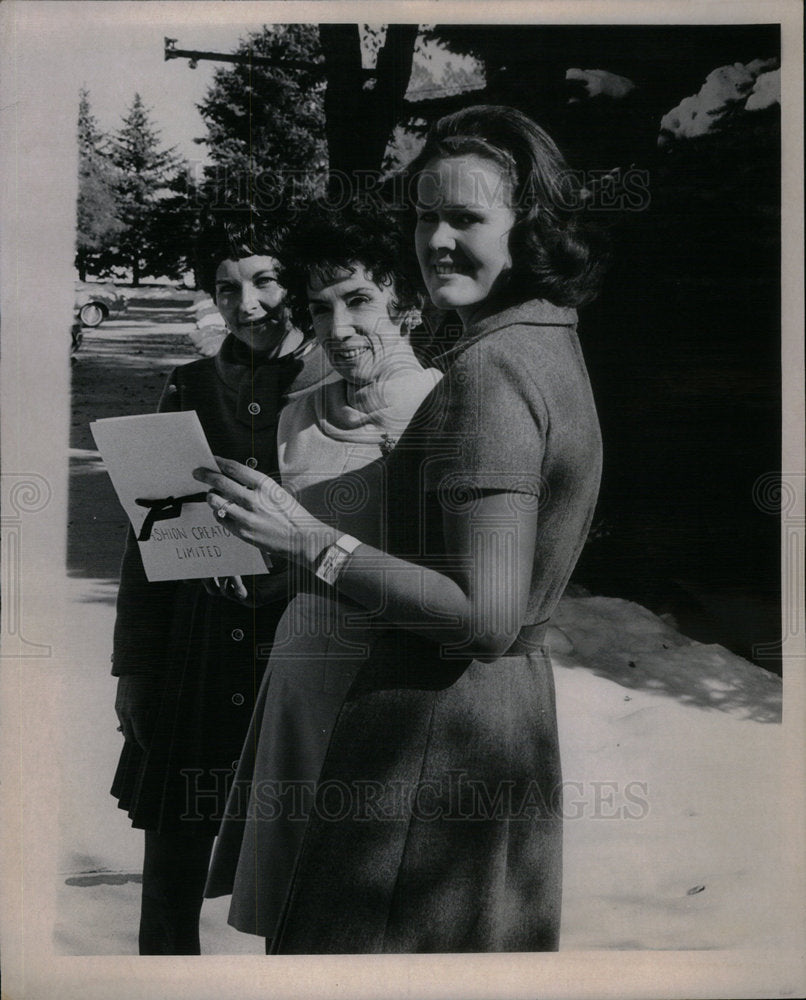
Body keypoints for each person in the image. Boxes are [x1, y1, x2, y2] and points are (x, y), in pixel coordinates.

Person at [194, 105, 604, 953]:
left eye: (467, 217)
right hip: (492, 727)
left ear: (529, 227)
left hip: (434, 735)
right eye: (426, 215)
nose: (438, 240)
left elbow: (486, 618)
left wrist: (312, 541)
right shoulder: (543, 342)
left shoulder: (491, 371)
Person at [204, 200, 442, 944]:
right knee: (296, 929)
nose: (338, 330)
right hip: (301, 678)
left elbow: (456, 591)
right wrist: (255, 563)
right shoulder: (297, 413)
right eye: (319, 308)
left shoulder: (445, 405)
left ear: (402, 297)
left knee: (377, 924)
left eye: (359, 300)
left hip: (391, 696)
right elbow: (304, 556)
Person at [110, 211, 332, 954]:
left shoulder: (336, 378)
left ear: (295, 283)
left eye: (265, 281)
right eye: (226, 288)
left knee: (298, 859)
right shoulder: (191, 384)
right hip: (197, 654)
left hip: (304, 649)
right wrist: (136, 668)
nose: (248, 305)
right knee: (173, 848)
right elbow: (148, 539)